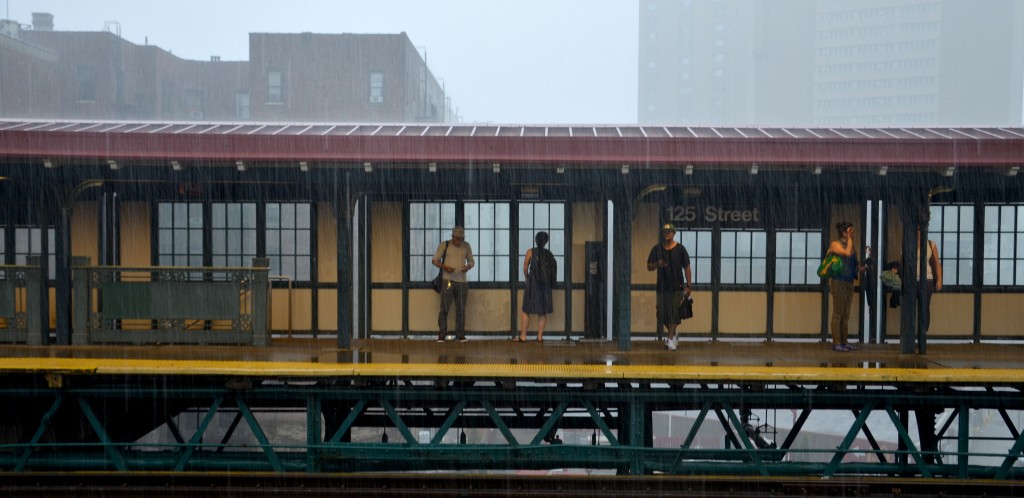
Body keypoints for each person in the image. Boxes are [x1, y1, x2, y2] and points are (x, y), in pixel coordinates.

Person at [647, 223, 692, 351]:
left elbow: (687, 268)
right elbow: (649, 266)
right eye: (665, 232)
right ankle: (673, 334)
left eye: (670, 232)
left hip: (677, 287)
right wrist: (657, 264)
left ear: (674, 233)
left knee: (673, 313)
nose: (667, 234)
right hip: (661, 287)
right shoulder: (657, 249)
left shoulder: (680, 249)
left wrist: (689, 285)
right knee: (661, 314)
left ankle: (670, 339)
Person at [433, 226, 474, 342]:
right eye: (457, 239)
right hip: (448, 281)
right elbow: (435, 260)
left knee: (461, 309)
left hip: (462, 282)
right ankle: (442, 334)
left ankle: (460, 334)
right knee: (444, 308)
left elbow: (471, 260)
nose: (459, 241)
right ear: (452, 237)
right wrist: (445, 267)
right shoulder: (444, 245)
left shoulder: (466, 246)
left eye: (461, 239)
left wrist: (468, 267)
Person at [518, 231, 555, 343]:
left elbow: (525, 267)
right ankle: (539, 337)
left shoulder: (530, 252)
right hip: (545, 285)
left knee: (526, 309)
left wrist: (527, 276)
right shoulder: (549, 254)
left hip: (532, 283)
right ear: (546, 242)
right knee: (542, 311)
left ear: (535, 240)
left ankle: (523, 336)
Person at [828, 221, 859, 352]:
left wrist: (861, 269)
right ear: (844, 232)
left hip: (849, 282)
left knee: (845, 314)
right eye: (850, 230)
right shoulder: (835, 245)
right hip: (838, 282)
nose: (852, 233)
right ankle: (836, 342)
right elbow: (846, 253)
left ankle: (844, 341)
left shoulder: (851, 245)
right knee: (837, 314)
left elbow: (853, 262)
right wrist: (850, 239)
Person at [917, 228, 943, 338]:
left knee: (924, 306)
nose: (918, 232)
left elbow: (937, 263)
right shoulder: (909, 243)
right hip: (912, 280)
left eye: (920, 229)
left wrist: (939, 280)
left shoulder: (930, 244)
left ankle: (923, 332)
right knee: (910, 307)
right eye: (917, 229)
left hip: (927, 279)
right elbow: (902, 260)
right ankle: (911, 334)